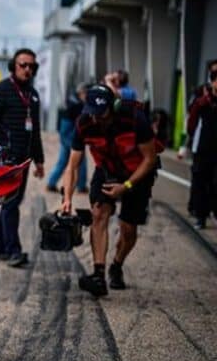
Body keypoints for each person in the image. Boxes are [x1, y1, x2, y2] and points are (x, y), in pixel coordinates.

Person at [62, 84, 159, 296]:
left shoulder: (135, 119)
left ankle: (117, 264)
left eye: (102, 114)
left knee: (128, 230)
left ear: (113, 107)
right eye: (93, 113)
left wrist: (126, 186)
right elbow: (72, 166)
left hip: (137, 174)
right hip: (107, 171)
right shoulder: (84, 122)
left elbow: (150, 159)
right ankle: (98, 275)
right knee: (98, 213)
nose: (97, 119)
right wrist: (67, 198)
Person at [0, 48, 45, 267]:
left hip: (23, 160)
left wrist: (39, 160)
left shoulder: (33, 95)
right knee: (11, 204)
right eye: (23, 65)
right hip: (5, 159)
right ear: (12, 67)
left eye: (32, 66)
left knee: (11, 203)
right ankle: (13, 250)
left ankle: (0, 247)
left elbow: (35, 132)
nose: (27, 70)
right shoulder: (0, 90)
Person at [183, 58, 217, 228]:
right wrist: (188, 144)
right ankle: (200, 215)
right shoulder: (202, 102)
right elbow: (191, 124)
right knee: (201, 182)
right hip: (203, 147)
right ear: (213, 81)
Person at [47, 83, 89, 194]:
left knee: (63, 161)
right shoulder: (77, 104)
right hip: (69, 134)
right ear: (82, 93)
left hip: (66, 134)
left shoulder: (73, 100)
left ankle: (51, 183)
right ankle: (81, 186)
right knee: (80, 159)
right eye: (86, 94)